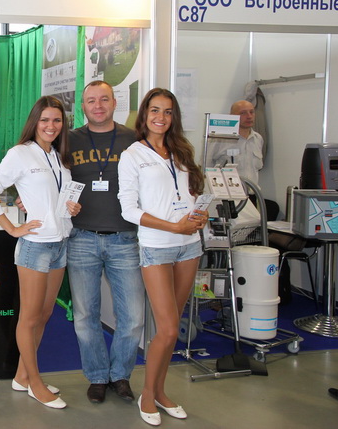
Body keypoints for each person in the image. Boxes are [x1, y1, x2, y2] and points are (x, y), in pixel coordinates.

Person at [0, 96, 80, 410]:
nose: (51, 126)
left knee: (45, 315)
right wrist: (11, 228)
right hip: (35, 246)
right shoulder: (20, 153)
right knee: (30, 317)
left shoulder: (59, 156)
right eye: (45, 120)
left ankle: (22, 376)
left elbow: (52, 198)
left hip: (60, 243)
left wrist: (71, 208)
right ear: (35, 122)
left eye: (57, 120)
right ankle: (36, 383)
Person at [117, 88, 207, 426]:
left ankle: (160, 391)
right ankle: (147, 395)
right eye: (155, 110)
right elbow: (129, 210)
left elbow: (191, 194)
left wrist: (199, 215)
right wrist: (173, 226)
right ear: (144, 114)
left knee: (171, 328)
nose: (161, 117)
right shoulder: (132, 155)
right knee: (167, 329)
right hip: (156, 246)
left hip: (189, 245)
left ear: (174, 117)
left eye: (168, 112)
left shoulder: (182, 150)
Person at [66, 81, 144, 405]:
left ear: (114, 102)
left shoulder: (134, 139)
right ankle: (98, 375)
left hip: (125, 239)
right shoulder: (68, 139)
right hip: (81, 238)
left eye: (103, 100)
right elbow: (51, 178)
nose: (97, 106)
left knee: (134, 317)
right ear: (83, 106)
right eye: (91, 101)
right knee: (86, 316)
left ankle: (121, 374)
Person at [207, 99, 263, 186]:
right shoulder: (219, 139)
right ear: (232, 116)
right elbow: (206, 167)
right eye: (243, 113)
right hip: (227, 191)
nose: (249, 116)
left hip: (252, 191)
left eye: (251, 112)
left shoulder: (258, 139)